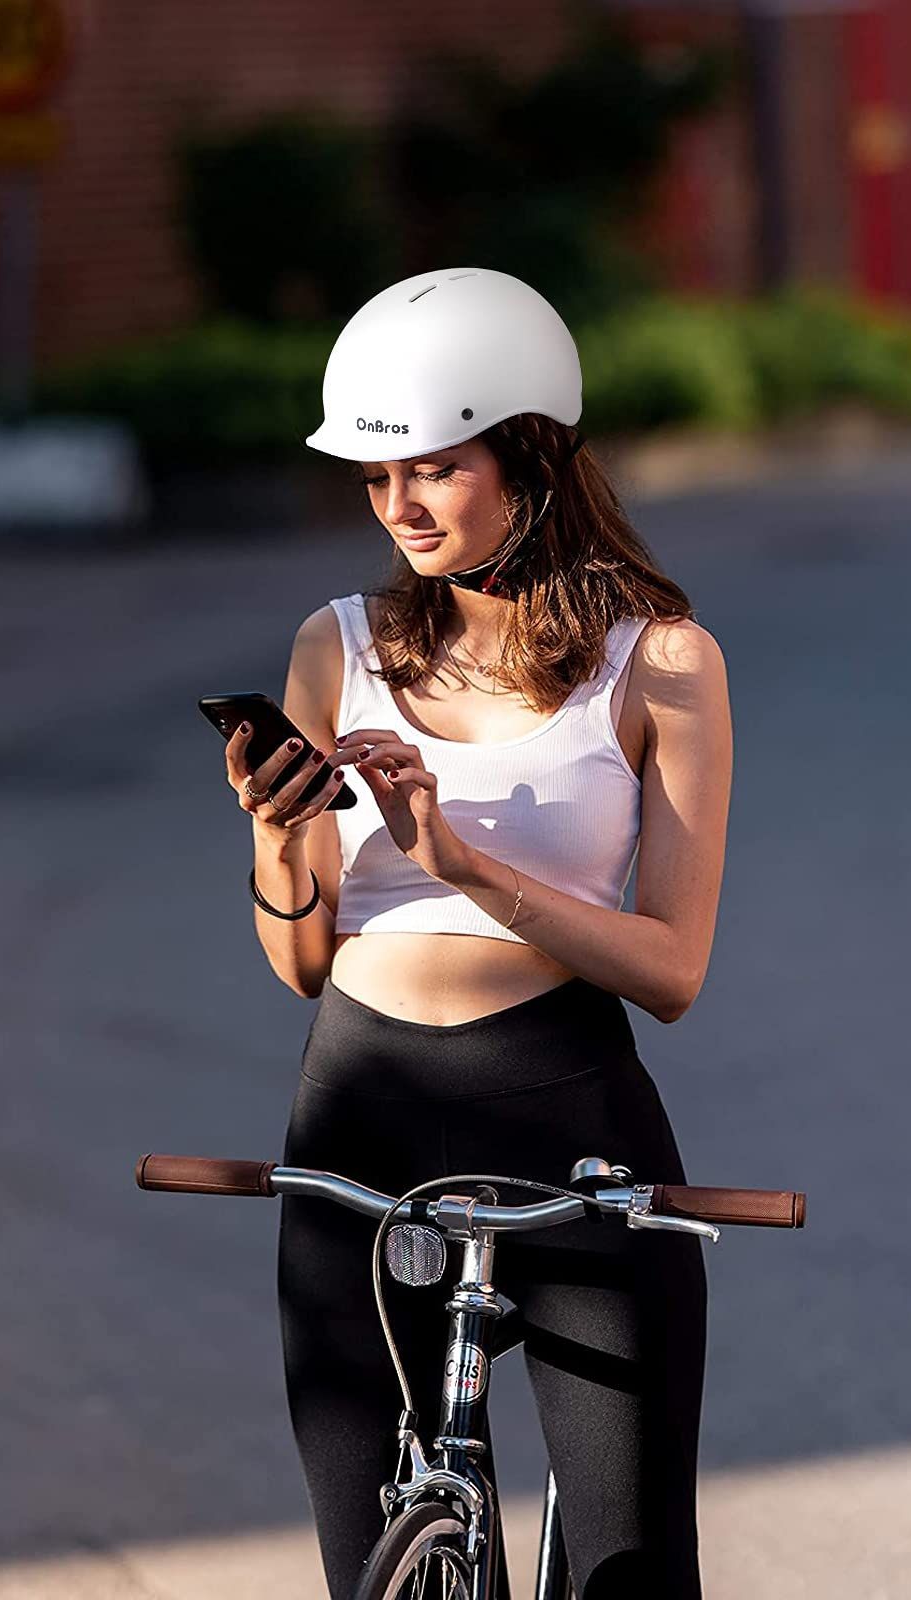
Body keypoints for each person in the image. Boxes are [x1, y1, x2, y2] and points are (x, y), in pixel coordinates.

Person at [223, 267, 733, 1598]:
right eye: (373, 480)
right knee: (370, 1566)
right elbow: (302, 962)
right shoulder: (334, 646)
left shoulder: (661, 661)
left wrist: (463, 857)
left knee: (627, 1571)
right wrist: (281, 833)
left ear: (530, 457)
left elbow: (673, 969)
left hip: (567, 1120)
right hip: (360, 1116)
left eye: (433, 470)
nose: (399, 509)